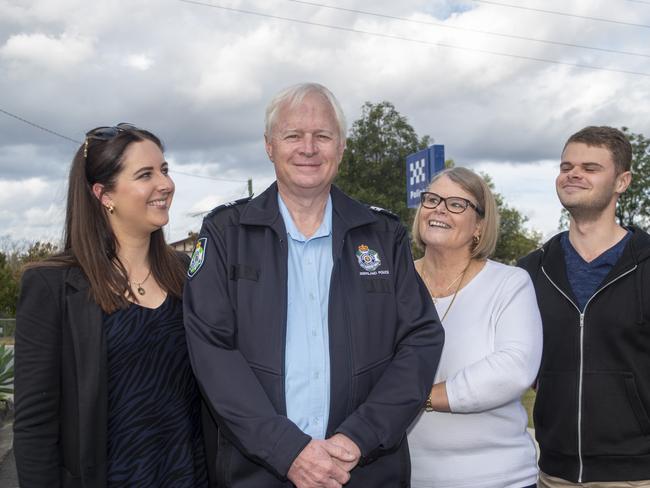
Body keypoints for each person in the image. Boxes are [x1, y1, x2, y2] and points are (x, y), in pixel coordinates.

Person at [183, 82, 444, 488]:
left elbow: (420, 340)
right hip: (258, 473)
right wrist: (288, 451)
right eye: (293, 135)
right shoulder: (225, 233)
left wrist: (358, 438)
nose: (308, 148)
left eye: (322, 136)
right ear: (269, 146)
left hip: (362, 470)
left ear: (341, 148)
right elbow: (212, 352)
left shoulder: (381, 234)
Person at [14, 124, 208, 488]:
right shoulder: (52, 286)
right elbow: (35, 427)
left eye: (164, 170)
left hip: (188, 474)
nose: (165, 184)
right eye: (145, 175)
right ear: (104, 195)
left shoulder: (186, 274)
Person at [519, 126, 650, 486]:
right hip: (553, 472)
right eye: (566, 167)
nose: (573, 174)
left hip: (636, 475)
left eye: (591, 168)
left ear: (622, 182)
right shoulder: (531, 270)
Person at [407, 167, 542, 488]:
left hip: (498, 477)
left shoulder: (509, 283)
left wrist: (414, 398)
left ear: (479, 226)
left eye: (457, 204)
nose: (439, 208)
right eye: (432, 199)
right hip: (406, 476)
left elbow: (513, 369)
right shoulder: (392, 284)